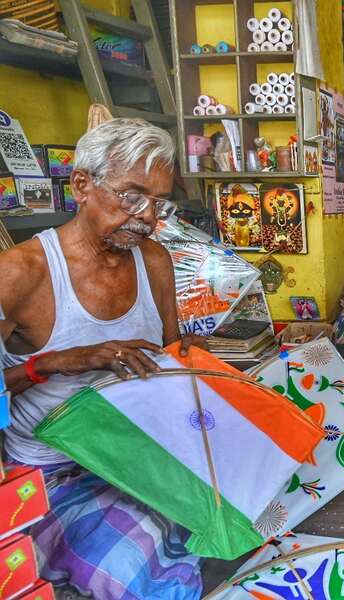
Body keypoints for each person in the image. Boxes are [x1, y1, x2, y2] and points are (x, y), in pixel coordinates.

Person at [0, 119, 205, 599]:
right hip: (51, 470)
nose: (147, 217)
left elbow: (170, 356)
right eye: (132, 196)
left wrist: (192, 363)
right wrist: (56, 362)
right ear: (82, 184)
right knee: (145, 570)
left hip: (130, 455)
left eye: (159, 203)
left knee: (232, 510)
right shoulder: (21, 272)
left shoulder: (154, 260)